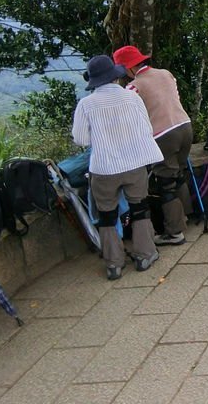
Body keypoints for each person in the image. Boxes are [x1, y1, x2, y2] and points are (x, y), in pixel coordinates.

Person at [72, 55, 163, 279]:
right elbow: (146, 128)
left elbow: (81, 139)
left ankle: (114, 263)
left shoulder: (86, 104)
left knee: (107, 215)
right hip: (134, 164)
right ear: (115, 76)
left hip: (104, 168)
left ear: (94, 80)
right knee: (139, 208)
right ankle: (145, 254)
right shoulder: (132, 98)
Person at [112, 45, 194, 247]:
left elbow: (131, 118)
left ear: (128, 68)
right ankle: (187, 216)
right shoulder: (165, 74)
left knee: (165, 183)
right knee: (179, 173)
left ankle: (175, 232)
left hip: (163, 135)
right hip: (185, 126)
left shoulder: (133, 87)